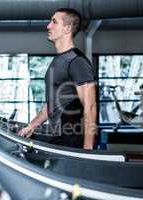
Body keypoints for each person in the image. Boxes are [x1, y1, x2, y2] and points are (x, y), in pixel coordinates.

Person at [18, 8, 97, 149]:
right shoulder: (59, 60)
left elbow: (90, 106)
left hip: (72, 139)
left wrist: (88, 149)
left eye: (54, 22)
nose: (48, 26)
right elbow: (51, 104)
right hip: (59, 135)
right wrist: (31, 126)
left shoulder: (77, 61)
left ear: (67, 28)